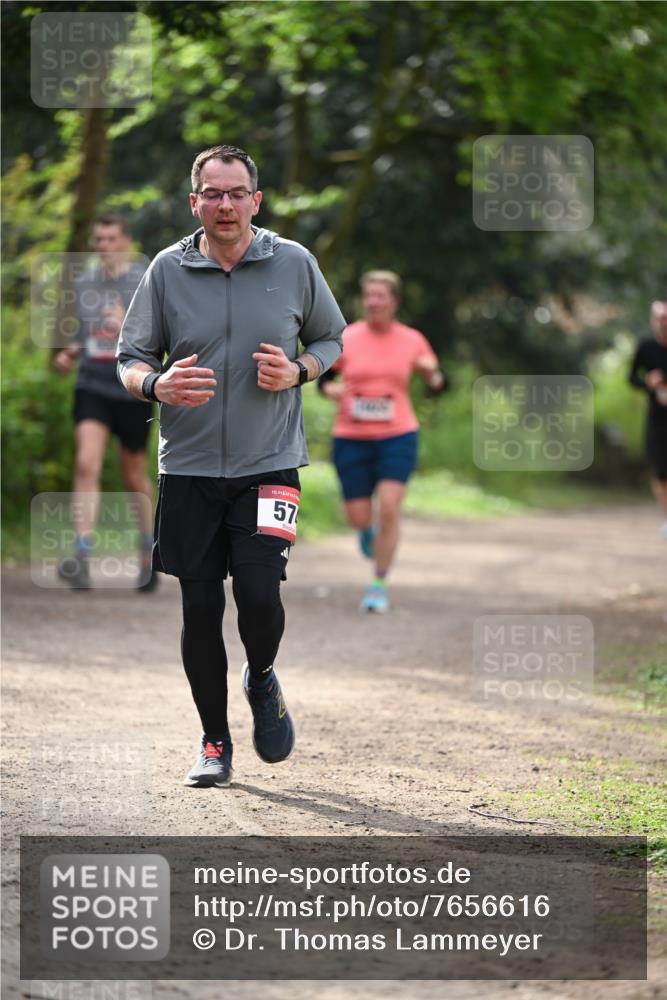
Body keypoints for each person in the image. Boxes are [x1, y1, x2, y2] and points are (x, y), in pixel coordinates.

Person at [116, 144, 345, 788]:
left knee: (259, 595)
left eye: (235, 192)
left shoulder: (294, 262)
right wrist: (155, 385)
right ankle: (214, 742)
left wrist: (300, 370)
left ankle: (262, 675)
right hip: (187, 469)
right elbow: (128, 357)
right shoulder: (166, 270)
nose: (224, 204)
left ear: (255, 200)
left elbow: (332, 337)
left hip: (269, 464)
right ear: (195, 202)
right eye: (211, 194)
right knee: (198, 609)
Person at [318, 270, 446, 613]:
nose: (374, 301)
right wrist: (332, 390)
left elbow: (438, 382)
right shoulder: (346, 337)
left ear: (394, 301)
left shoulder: (412, 340)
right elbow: (325, 379)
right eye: (369, 295)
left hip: (397, 434)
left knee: (389, 506)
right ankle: (366, 529)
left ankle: (378, 583)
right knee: (358, 516)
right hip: (351, 436)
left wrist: (432, 374)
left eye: (381, 295)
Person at [53, 214, 156, 591]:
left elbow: (161, 334)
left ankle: (148, 550)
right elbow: (86, 334)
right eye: (99, 239)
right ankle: (81, 555)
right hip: (92, 384)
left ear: (126, 241)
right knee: (86, 462)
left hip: (132, 386)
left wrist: (127, 321)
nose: (104, 246)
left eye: (112, 238)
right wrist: (69, 353)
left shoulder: (146, 280)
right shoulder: (84, 283)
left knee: (133, 474)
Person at [629, 300, 667, 538]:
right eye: (661, 318)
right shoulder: (646, 347)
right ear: (653, 320)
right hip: (657, 419)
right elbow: (632, 378)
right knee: (661, 471)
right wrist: (648, 383)